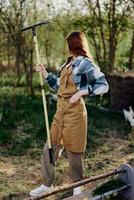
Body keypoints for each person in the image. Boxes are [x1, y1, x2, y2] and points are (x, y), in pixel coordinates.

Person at [30, 31, 109, 197]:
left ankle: (77, 187)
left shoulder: (85, 63)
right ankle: (47, 185)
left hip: (75, 113)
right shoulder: (68, 63)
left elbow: (103, 85)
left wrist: (81, 93)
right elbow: (60, 86)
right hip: (60, 111)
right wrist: (44, 73)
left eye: (68, 44)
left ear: (74, 45)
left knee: (74, 151)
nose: (67, 48)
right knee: (50, 147)